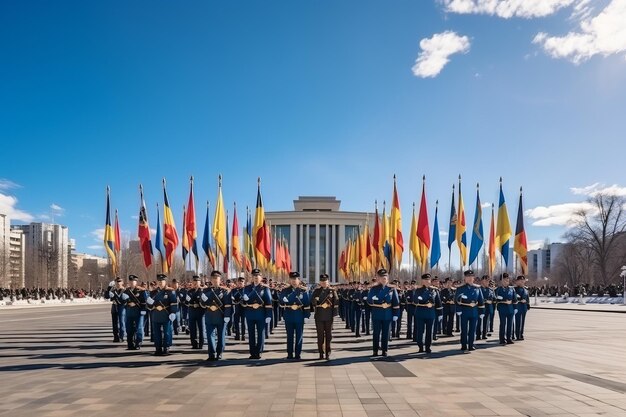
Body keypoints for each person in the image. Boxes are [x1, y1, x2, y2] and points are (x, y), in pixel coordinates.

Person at [367, 269, 400, 357]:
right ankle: (375, 350)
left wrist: (396, 314)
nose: (383, 279)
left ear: (387, 278)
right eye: (381, 277)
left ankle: (384, 350)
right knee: (376, 333)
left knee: (386, 333)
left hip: (387, 314)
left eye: (385, 277)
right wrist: (374, 300)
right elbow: (369, 301)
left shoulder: (392, 289)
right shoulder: (374, 288)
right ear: (378, 278)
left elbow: (396, 302)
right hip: (377, 313)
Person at [200, 271, 232, 361]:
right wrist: (203, 300)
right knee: (210, 336)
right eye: (213, 278)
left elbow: (228, 305)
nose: (215, 280)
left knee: (221, 336)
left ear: (220, 280)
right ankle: (211, 353)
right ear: (211, 280)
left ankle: (219, 352)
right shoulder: (206, 291)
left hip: (221, 316)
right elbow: (202, 305)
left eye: (216, 278)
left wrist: (227, 316)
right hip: (209, 316)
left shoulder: (225, 291)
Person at [242, 269, 273, 359]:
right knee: (251, 334)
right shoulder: (247, 288)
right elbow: (243, 301)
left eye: (257, 276)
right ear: (252, 277)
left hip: (261, 313)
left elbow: (268, 302)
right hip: (250, 313)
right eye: (254, 276)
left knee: (261, 333)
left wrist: (268, 315)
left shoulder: (265, 288)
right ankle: (252, 352)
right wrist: (244, 298)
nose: (256, 277)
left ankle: (259, 352)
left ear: (260, 277)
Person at [279, 271, 311, 360]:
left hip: (299, 315)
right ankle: (289, 354)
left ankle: (298, 354)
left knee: (299, 336)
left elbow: (307, 304)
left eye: (295, 279)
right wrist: (283, 300)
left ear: (299, 280)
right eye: (292, 279)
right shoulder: (285, 290)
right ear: (290, 280)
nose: (294, 281)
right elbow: (280, 302)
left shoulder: (303, 290)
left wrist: (306, 316)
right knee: (289, 336)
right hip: (289, 315)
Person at [146, 274, 178, 356]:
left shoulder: (170, 291)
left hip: (166, 314)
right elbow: (149, 306)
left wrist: (173, 312)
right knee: (156, 332)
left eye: (162, 281)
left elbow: (174, 303)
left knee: (167, 332)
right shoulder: (153, 292)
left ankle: (166, 347)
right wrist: (149, 303)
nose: (160, 282)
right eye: (159, 281)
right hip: (156, 314)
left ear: (165, 281)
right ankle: (158, 347)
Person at [455, 270, 485, 352]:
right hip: (464, 310)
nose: (469, 278)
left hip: (474, 311)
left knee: (472, 329)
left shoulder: (477, 288)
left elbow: (481, 300)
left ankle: (471, 344)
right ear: (465, 278)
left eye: (471, 277)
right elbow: (456, 300)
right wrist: (458, 310)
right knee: (464, 329)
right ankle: (464, 344)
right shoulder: (460, 288)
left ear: (473, 278)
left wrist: (482, 312)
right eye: (467, 277)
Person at [412, 274, 442, 353]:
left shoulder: (434, 290)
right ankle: (420, 346)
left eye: (428, 280)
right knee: (420, 331)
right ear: (422, 281)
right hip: (420, 313)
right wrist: (420, 300)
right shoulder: (418, 290)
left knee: (429, 331)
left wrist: (440, 314)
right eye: (425, 280)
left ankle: (428, 346)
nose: (427, 281)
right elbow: (415, 301)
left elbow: (438, 303)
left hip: (430, 313)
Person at [310, 273, 337, 360]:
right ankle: (321, 353)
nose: (323, 283)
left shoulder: (332, 291)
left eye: (325, 281)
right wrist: (315, 300)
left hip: (329, 316)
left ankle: (328, 352)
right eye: (322, 281)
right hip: (319, 316)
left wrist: (334, 314)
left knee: (329, 335)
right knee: (320, 335)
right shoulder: (316, 291)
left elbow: (336, 302)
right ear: (320, 282)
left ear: (328, 282)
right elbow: (312, 301)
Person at [122, 274, 147, 350]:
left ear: (136, 282)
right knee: (129, 328)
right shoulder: (126, 291)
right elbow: (122, 302)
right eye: (130, 281)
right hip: (129, 312)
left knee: (139, 328)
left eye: (133, 281)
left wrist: (143, 310)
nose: (132, 282)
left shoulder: (141, 291)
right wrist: (126, 302)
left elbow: (144, 301)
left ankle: (138, 343)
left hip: (138, 312)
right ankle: (130, 343)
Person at [495, 273, 516, 345]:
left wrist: (515, 308)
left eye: (507, 280)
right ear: (501, 281)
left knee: (510, 324)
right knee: (503, 324)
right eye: (504, 280)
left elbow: (515, 299)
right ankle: (502, 339)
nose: (506, 281)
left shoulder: (511, 289)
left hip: (510, 309)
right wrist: (502, 301)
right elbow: (495, 299)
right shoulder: (498, 289)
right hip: (502, 309)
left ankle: (509, 338)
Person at [186, 275, 205, 350]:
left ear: (200, 282)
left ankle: (201, 344)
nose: (195, 283)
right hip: (192, 311)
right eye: (194, 282)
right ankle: (194, 344)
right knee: (192, 329)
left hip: (200, 311)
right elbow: (187, 301)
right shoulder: (189, 291)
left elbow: (205, 301)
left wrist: (199, 303)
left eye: (197, 282)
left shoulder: (202, 291)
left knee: (201, 328)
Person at [105, 277, 126, 343]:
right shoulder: (113, 290)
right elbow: (106, 296)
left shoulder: (125, 290)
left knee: (122, 322)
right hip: (114, 307)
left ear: (122, 282)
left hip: (122, 307)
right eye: (117, 281)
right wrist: (108, 288)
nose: (118, 283)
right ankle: (116, 336)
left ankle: (121, 336)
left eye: (119, 281)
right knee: (114, 323)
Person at [477, 275, 495, 340]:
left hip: (488, 308)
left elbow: (494, 298)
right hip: (481, 308)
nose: (487, 282)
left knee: (486, 321)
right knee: (479, 321)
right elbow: (477, 298)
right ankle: (478, 334)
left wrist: (491, 300)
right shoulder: (478, 289)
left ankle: (484, 334)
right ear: (482, 281)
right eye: (486, 280)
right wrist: (485, 301)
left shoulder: (490, 290)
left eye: (488, 281)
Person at [514, 275, 530, 341]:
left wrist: (528, 304)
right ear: (517, 281)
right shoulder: (515, 289)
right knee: (518, 321)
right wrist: (520, 300)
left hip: (524, 308)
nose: (522, 282)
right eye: (520, 281)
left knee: (522, 321)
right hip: (518, 307)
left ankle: (521, 334)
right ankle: (517, 335)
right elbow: (514, 298)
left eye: (523, 281)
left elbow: (527, 298)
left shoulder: (525, 290)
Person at [231, 276, 247, 341]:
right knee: (236, 322)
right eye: (239, 282)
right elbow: (232, 296)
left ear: (244, 283)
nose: (240, 283)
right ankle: (237, 334)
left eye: (242, 282)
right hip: (237, 308)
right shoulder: (234, 290)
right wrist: (233, 298)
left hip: (244, 307)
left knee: (243, 322)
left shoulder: (246, 289)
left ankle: (243, 335)